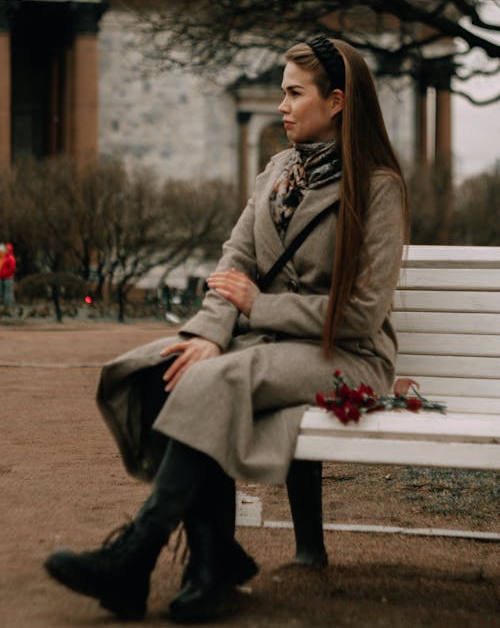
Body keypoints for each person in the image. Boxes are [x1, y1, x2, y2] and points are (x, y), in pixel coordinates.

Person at [45, 36, 408, 622]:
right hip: (270, 346)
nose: (282, 105)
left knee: (215, 380)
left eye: (295, 93)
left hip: (347, 356)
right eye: (282, 93)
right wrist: (208, 334)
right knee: (168, 367)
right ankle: (214, 560)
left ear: (337, 101)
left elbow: (362, 313)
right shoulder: (276, 172)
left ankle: (137, 552)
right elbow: (233, 263)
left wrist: (258, 308)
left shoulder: (378, 186)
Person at [0, 242, 16, 308]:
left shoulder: (10, 258)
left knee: (8, 293)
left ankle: (8, 306)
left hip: (8, 278)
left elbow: (12, 268)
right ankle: (6, 306)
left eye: (6, 249)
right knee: (3, 293)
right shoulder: (5, 257)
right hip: (3, 277)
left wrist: (4, 274)